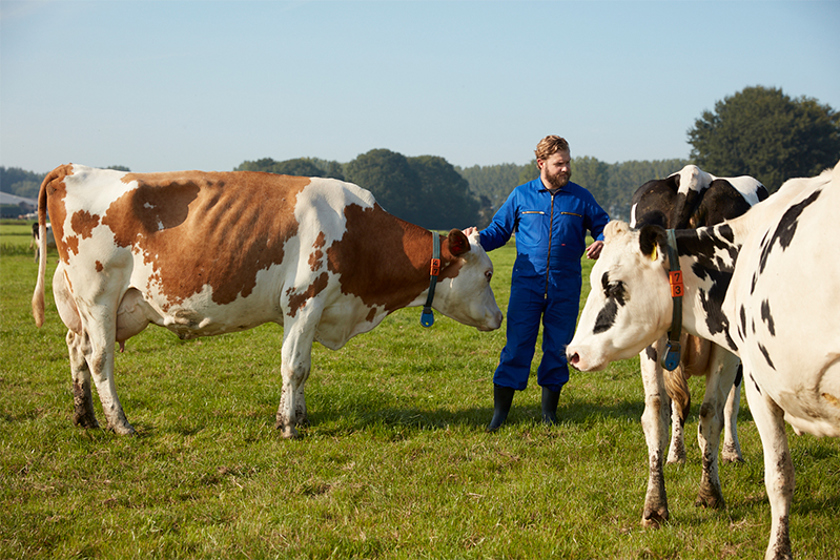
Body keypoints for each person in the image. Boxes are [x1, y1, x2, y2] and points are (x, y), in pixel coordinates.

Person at [468, 135, 610, 432]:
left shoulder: (581, 198)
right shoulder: (521, 196)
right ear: (541, 164)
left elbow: (605, 227)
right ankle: (499, 417)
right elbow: (498, 231)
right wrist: (476, 239)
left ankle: (549, 415)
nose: (566, 169)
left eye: (568, 163)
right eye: (560, 164)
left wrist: (602, 241)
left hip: (565, 286)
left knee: (559, 349)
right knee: (517, 347)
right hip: (526, 285)